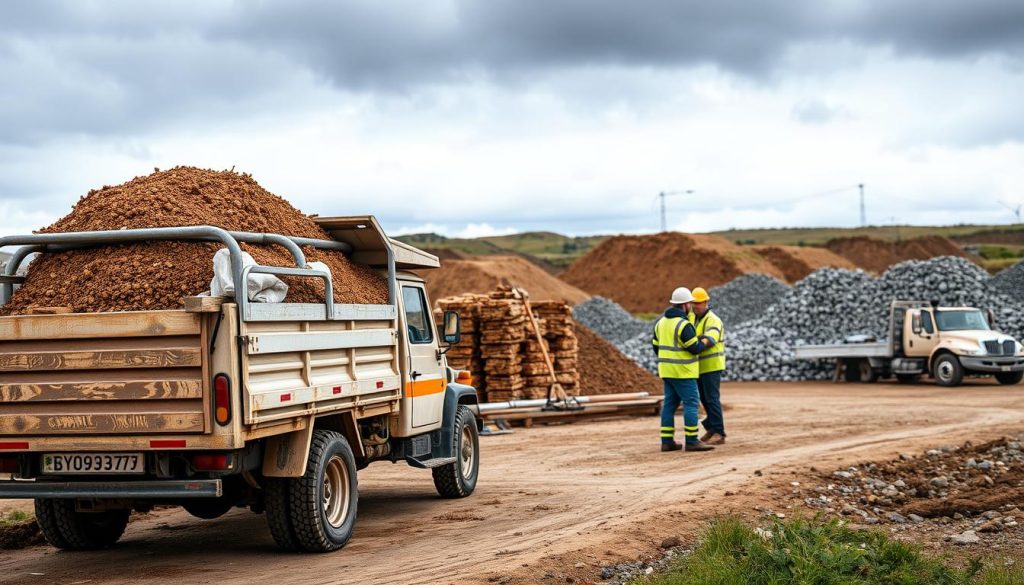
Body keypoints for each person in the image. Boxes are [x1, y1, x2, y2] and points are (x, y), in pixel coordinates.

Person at [652, 287, 717, 452]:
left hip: (666, 371)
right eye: (690, 303)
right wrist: (707, 341)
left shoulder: (661, 323)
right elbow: (694, 347)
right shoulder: (683, 325)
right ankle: (692, 440)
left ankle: (667, 441)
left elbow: (655, 345)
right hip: (683, 371)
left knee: (669, 405)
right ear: (686, 305)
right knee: (691, 404)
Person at [691, 287, 726, 444]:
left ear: (706, 302)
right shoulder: (693, 318)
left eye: (698, 303)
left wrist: (697, 342)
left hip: (711, 366)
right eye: (693, 303)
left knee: (712, 399)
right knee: (704, 400)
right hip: (699, 367)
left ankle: (719, 433)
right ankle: (711, 429)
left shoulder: (713, 319)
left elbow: (710, 340)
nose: (695, 306)